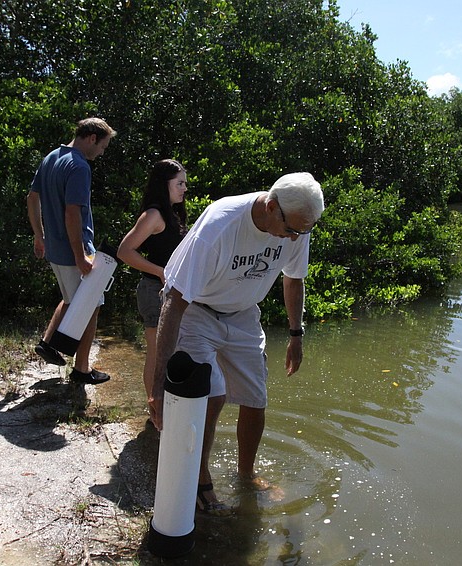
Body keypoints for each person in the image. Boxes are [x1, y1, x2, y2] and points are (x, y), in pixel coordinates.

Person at [149, 172, 325, 514]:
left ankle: (247, 475)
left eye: (304, 230)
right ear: (272, 207)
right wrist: (158, 384)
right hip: (196, 309)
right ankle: (200, 482)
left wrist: (295, 334)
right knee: (211, 395)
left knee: (256, 397)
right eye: (292, 229)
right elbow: (175, 301)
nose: (296, 238)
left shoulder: (297, 224)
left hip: (243, 312)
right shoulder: (220, 225)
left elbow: (294, 279)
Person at [27, 117, 117, 385]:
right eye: (102, 146)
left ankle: (48, 342)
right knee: (90, 305)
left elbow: (32, 197)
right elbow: (72, 214)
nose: (101, 153)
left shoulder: (52, 157)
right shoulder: (79, 166)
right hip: (73, 251)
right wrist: (80, 256)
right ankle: (81, 369)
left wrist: (39, 235)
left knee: (71, 299)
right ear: (91, 138)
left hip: (55, 248)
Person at [117, 159, 188, 407]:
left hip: (170, 293)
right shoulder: (154, 214)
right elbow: (125, 251)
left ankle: (168, 410)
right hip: (154, 292)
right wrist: (160, 272)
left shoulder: (172, 213)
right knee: (158, 355)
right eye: (179, 183)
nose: (184, 188)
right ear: (163, 184)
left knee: (170, 353)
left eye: (185, 183)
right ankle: (155, 412)